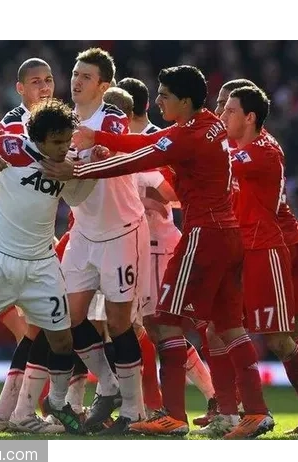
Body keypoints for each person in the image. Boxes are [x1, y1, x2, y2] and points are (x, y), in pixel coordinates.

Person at [44, 65, 273, 439]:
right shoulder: (208, 125)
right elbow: (150, 143)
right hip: (226, 234)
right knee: (229, 326)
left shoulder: (189, 135)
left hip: (203, 235)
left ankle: (174, 416)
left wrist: (79, 171)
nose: (159, 101)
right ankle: (256, 412)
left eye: (165, 95)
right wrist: (98, 137)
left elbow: (138, 158)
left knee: (164, 322)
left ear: (185, 100)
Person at [0, 99, 94, 435]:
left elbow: (77, 197)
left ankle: (57, 403)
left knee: (62, 340)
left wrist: (85, 171)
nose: (64, 147)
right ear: (38, 139)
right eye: (57, 142)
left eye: (67, 141)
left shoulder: (64, 163)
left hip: (41, 264)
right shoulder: (9, 146)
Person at [217, 86, 298, 438]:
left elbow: (218, 164)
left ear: (250, 117)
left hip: (266, 250)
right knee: (222, 329)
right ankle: (233, 412)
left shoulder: (264, 150)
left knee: (281, 338)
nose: (221, 116)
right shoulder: (237, 147)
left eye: (229, 110)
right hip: (241, 249)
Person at [60, 47, 151, 434]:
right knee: (66, 315)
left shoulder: (111, 116)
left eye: (86, 76)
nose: (76, 81)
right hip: (83, 231)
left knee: (118, 322)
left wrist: (87, 153)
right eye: (75, 74)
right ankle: (110, 386)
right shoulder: (63, 120)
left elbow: (112, 146)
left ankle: (133, 410)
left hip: (121, 231)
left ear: (104, 85)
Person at [116, 78, 216, 417]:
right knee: (137, 327)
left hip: (157, 244)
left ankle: (202, 399)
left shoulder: (158, 141)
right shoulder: (136, 140)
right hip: (131, 245)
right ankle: (145, 406)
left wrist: (144, 200)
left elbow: (175, 195)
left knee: (159, 326)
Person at [0, 57, 61, 433]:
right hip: (15, 248)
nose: (44, 87)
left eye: (48, 80)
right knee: (50, 328)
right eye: (36, 82)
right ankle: (33, 411)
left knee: (37, 330)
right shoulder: (13, 124)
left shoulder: (59, 122)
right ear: (20, 88)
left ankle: (5, 413)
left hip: (42, 243)